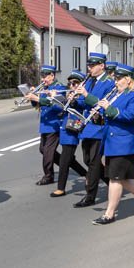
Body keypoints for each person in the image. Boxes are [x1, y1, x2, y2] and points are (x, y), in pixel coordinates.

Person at [91, 64, 134, 224]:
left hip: (124, 142)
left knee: (115, 179)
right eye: (115, 78)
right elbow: (108, 117)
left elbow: (131, 116)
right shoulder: (115, 95)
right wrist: (98, 116)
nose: (116, 82)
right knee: (121, 177)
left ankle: (109, 214)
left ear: (128, 79)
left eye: (118, 79)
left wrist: (109, 109)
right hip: (111, 141)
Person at [72, 52, 115, 208]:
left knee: (94, 162)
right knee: (88, 160)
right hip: (87, 127)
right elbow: (84, 103)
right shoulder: (89, 81)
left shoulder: (109, 83)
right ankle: (113, 183)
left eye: (92, 65)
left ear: (101, 66)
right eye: (89, 65)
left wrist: (85, 94)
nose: (89, 68)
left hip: (99, 126)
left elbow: (104, 103)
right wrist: (74, 100)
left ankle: (90, 195)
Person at [51, 70, 90, 198]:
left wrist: (73, 101)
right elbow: (59, 110)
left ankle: (60, 188)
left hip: (73, 127)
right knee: (69, 159)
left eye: (75, 83)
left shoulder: (83, 95)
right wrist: (54, 99)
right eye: (70, 84)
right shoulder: (69, 94)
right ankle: (86, 174)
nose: (72, 86)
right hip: (64, 128)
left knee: (64, 160)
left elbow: (83, 105)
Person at [26, 65, 66, 186]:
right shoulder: (44, 88)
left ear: (52, 75)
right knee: (43, 149)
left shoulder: (59, 88)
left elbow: (59, 106)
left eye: (45, 77)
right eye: (42, 77)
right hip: (45, 124)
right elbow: (38, 105)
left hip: (54, 124)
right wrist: (33, 97)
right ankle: (65, 162)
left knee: (48, 151)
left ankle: (48, 176)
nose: (43, 80)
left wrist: (38, 99)